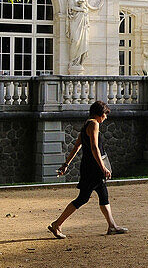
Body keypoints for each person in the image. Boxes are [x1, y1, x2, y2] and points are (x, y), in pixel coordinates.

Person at [48, 101, 128, 238]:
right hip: (93, 168)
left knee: (103, 195)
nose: (106, 118)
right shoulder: (94, 124)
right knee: (83, 198)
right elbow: (94, 147)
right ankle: (57, 224)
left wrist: (66, 164)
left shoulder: (86, 124)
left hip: (89, 166)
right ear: (100, 114)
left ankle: (112, 226)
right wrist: (103, 167)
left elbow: (76, 146)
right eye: (105, 115)